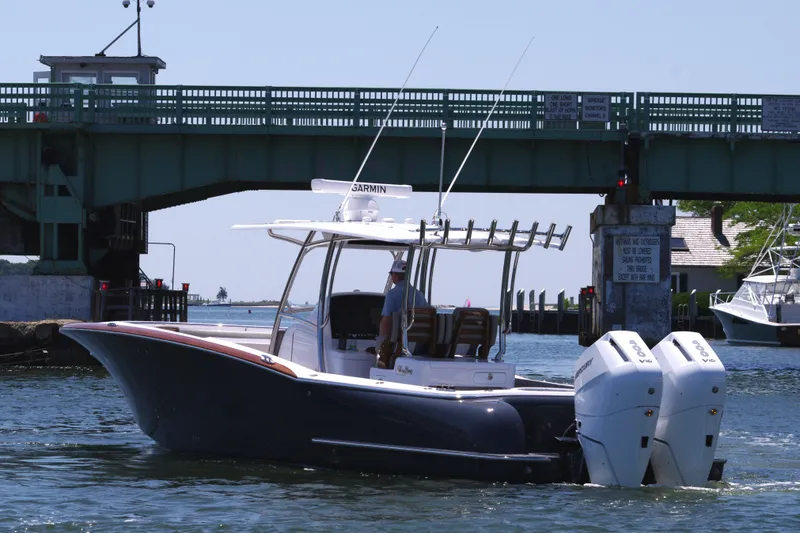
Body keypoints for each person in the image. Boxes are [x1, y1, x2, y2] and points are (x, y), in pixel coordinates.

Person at [370, 258, 428, 364]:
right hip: (417, 344)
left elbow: (386, 321)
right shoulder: (419, 295)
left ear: (395, 276)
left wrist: (380, 345)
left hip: (400, 344)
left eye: (391, 274)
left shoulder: (392, 294)